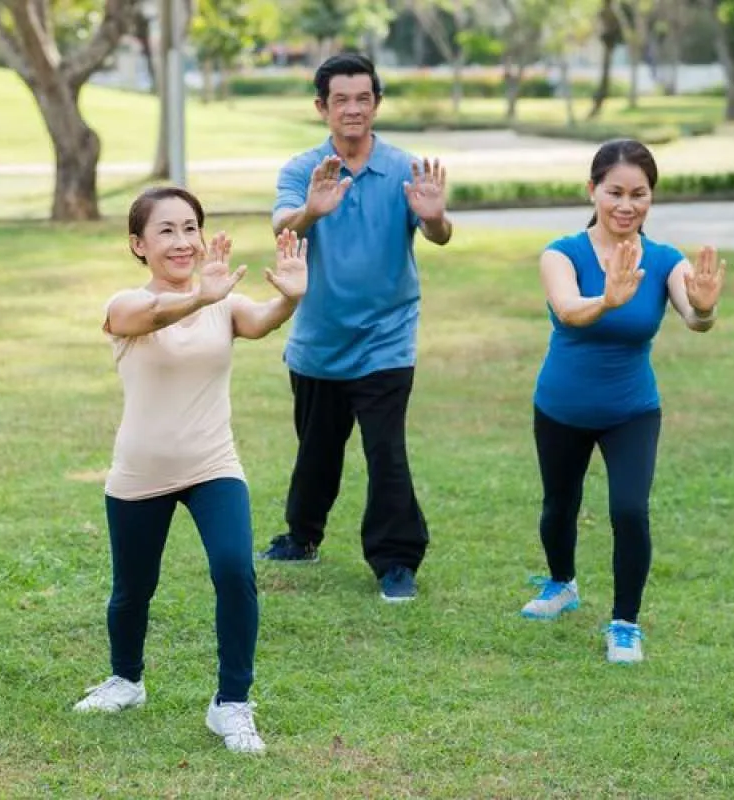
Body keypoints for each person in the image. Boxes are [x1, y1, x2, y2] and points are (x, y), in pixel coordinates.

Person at [73, 187, 308, 755]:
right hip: (139, 470)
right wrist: (201, 297)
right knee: (132, 590)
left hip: (212, 463)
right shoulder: (124, 302)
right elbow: (150, 314)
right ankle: (126, 680)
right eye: (166, 230)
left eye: (189, 228)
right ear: (138, 244)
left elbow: (259, 322)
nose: (182, 241)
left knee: (233, 570)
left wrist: (290, 299)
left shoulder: (221, 299)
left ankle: (231, 704)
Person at [519, 138, 726, 664]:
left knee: (630, 510)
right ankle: (562, 584)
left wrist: (704, 309)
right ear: (593, 190)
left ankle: (625, 623)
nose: (626, 206)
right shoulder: (561, 253)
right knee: (558, 506)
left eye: (639, 194)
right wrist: (607, 300)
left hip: (632, 410)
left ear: (651, 198)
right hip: (561, 405)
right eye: (615, 192)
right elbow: (567, 310)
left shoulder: (663, 261)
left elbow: (695, 318)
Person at [257, 52, 454, 603]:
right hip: (319, 339)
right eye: (340, 99)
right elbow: (282, 226)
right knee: (317, 447)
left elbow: (438, 235)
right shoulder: (303, 170)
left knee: (386, 451)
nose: (353, 109)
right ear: (322, 107)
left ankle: (396, 561)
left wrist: (435, 216)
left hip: (387, 338)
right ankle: (302, 535)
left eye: (363, 98)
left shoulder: (403, 169)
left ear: (376, 104)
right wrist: (312, 212)